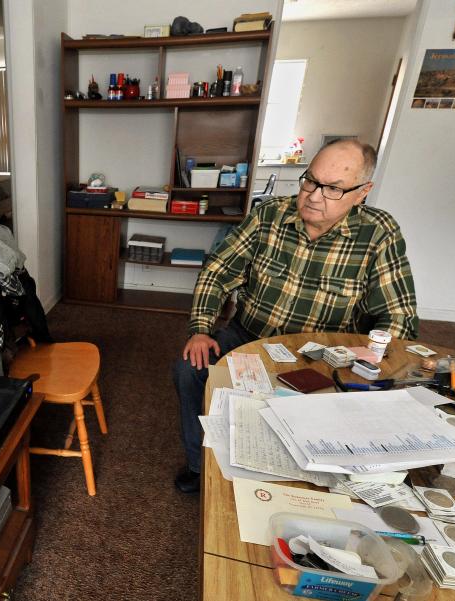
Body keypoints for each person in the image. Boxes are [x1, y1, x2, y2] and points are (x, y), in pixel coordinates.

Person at [172, 140, 418, 493]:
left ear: (362, 192)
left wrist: (373, 352)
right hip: (250, 337)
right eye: (311, 181)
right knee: (189, 368)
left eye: (333, 188)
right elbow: (217, 271)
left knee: (358, 405)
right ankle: (201, 467)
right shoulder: (268, 215)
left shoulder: (378, 233)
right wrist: (200, 329)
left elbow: (399, 314)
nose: (314, 196)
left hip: (322, 354)